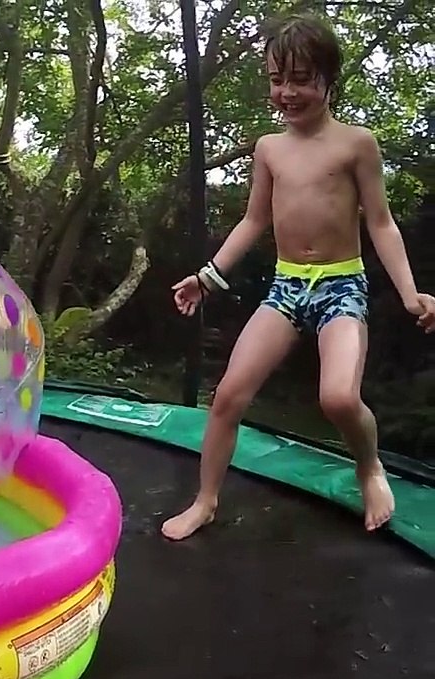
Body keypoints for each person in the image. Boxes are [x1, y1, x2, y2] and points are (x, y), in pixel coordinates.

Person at [161, 13, 435, 542]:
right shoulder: (269, 149)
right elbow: (254, 220)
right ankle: (206, 500)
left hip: (341, 287)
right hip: (286, 288)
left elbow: (380, 223)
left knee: (337, 397)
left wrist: (409, 293)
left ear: (329, 81)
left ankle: (370, 466)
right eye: (276, 79)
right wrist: (207, 277)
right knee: (227, 397)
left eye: (301, 79)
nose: (286, 92)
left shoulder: (356, 144)